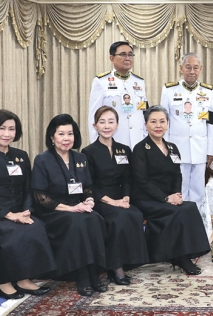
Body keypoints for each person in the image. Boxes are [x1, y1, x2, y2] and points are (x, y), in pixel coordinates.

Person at [0, 110, 55, 300]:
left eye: (11, 129)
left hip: (20, 211)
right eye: (2, 128)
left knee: (37, 227)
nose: (7, 134)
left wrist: (26, 211)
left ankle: (24, 279)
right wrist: (8, 215)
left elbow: (28, 189)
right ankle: (5, 283)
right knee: (14, 233)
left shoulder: (21, 156)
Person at [31, 114, 107, 296]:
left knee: (95, 219)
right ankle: (82, 275)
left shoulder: (80, 158)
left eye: (70, 134)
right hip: (54, 210)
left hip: (78, 206)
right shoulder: (42, 160)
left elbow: (87, 187)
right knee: (77, 223)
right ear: (52, 137)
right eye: (61, 134)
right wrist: (71, 209)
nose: (66, 138)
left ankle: (94, 271)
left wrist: (89, 200)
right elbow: (40, 196)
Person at [131, 106, 211, 275]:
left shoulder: (172, 147)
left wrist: (177, 195)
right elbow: (142, 181)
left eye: (162, 121)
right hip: (147, 199)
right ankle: (181, 258)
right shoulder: (140, 149)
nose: (158, 125)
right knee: (177, 212)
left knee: (189, 207)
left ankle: (184, 254)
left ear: (167, 124)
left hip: (169, 197)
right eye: (153, 122)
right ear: (146, 125)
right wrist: (166, 198)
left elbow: (177, 175)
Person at [81, 106, 150, 286]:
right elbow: (89, 184)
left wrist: (126, 197)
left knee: (134, 214)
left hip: (121, 197)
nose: (107, 126)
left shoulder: (124, 150)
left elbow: (128, 178)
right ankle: (115, 268)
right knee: (118, 218)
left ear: (117, 125)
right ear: (95, 126)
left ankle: (129, 261)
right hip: (100, 199)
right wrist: (112, 202)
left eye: (111, 122)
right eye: (102, 122)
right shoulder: (88, 152)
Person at [160, 52, 213, 202]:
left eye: (195, 68)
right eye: (188, 67)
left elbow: (211, 123)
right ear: (181, 68)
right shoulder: (169, 90)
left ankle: (197, 216)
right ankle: (181, 215)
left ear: (200, 69)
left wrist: (210, 150)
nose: (192, 71)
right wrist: (165, 147)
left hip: (200, 148)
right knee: (179, 187)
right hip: (176, 148)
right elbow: (164, 122)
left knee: (199, 189)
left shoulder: (208, 91)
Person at [88, 41, 148, 146]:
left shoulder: (139, 81)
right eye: (123, 54)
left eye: (130, 54)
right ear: (112, 58)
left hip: (138, 141)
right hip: (114, 141)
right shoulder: (101, 81)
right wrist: (96, 147)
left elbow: (143, 112)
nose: (128, 58)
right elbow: (94, 116)